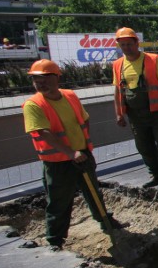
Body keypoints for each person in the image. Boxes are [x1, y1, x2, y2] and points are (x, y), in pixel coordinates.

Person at [22, 59, 122, 251]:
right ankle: (55, 239)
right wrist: (70, 152)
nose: (39, 83)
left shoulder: (69, 96)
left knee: (93, 191)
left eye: (44, 78)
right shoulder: (33, 104)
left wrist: (83, 147)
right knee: (59, 201)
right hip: (58, 162)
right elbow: (43, 132)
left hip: (82, 155)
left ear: (56, 78)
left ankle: (106, 222)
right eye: (36, 79)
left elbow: (84, 119)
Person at [112, 27, 158, 189]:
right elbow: (117, 90)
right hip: (136, 115)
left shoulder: (152, 60)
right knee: (143, 146)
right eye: (123, 45)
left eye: (129, 44)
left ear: (137, 43)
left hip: (157, 112)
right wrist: (119, 114)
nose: (126, 48)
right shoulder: (118, 65)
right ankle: (156, 175)